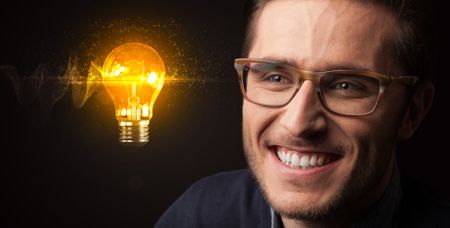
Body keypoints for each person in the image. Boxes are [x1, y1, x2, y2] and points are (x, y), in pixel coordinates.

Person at [156, 0, 449, 227]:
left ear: (412, 112)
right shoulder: (199, 215)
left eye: (346, 86)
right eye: (275, 77)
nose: (298, 124)